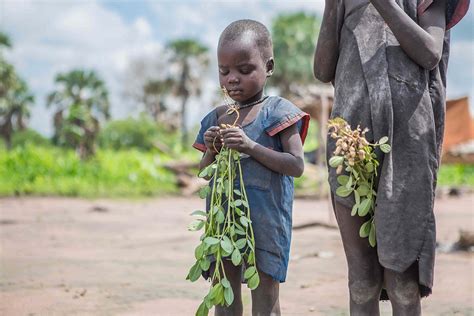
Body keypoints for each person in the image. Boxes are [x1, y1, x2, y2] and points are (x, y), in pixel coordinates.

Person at [314, 0, 469, 315]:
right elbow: (322, 70)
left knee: (402, 279)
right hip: (351, 145)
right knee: (362, 279)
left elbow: (429, 52)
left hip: (407, 148)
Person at [193, 19, 310, 315]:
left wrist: (250, 146)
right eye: (224, 71)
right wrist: (212, 149)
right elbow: (202, 170)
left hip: (266, 221)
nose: (233, 79)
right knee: (224, 293)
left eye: (245, 70)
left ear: (268, 66)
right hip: (223, 222)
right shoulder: (216, 117)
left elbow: (296, 165)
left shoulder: (279, 112)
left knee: (265, 295)